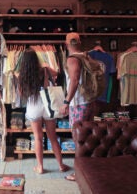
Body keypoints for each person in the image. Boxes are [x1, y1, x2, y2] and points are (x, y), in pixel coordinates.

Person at [17, 48, 69, 174]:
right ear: (36, 59)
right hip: (48, 105)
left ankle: (40, 167)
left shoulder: (21, 74)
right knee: (53, 137)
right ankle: (61, 165)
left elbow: (21, 93)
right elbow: (56, 73)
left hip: (33, 106)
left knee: (38, 138)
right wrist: (46, 67)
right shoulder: (45, 70)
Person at [60, 33, 95, 181]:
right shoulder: (86, 56)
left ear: (66, 44)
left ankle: (79, 173)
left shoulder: (73, 59)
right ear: (79, 42)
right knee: (86, 136)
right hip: (88, 101)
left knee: (78, 138)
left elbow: (73, 81)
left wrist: (66, 102)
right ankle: (89, 168)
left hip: (78, 103)